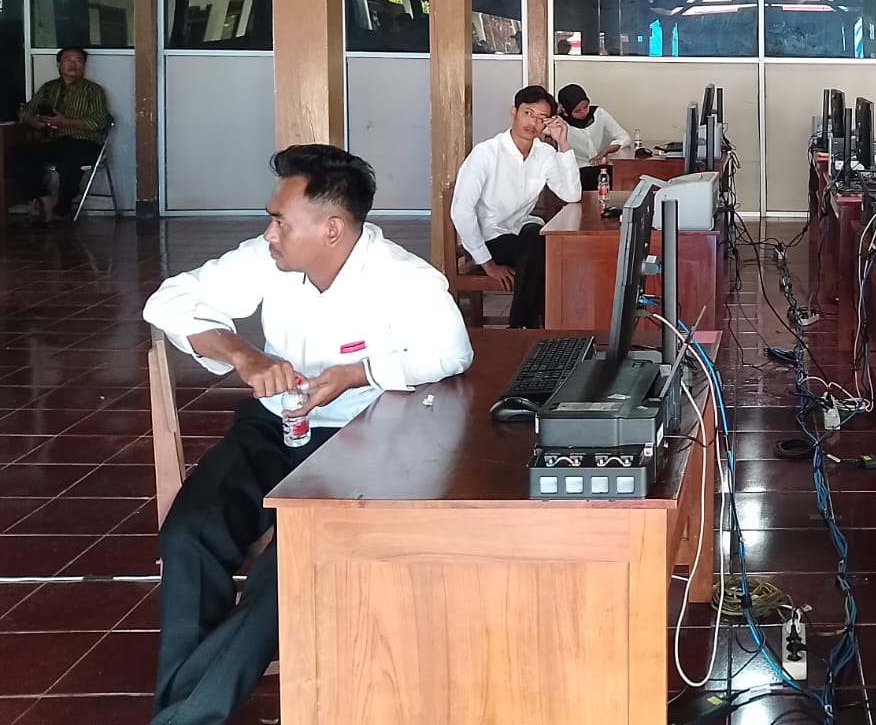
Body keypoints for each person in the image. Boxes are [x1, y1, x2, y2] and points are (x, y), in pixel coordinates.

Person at [144, 145, 474, 725]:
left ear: (332, 229)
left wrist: (357, 373)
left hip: (360, 437)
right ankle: (186, 711)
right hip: (273, 425)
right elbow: (169, 300)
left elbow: (451, 351)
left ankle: (184, 717)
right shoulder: (265, 260)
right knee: (190, 533)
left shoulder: (403, 277)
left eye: (280, 222)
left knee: (291, 568)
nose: (268, 233)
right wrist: (244, 355)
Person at [450, 85, 581, 329]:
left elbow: (571, 195)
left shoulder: (544, 153)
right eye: (528, 113)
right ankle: (533, 327)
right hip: (490, 235)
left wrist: (563, 143)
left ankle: (529, 327)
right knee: (542, 253)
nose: (533, 123)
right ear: (514, 112)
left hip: (522, 232)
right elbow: (461, 210)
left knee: (540, 240)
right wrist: (487, 264)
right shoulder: (486, 154)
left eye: (541, 118)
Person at [12, 45, 110, 223]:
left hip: (85, 142)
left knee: (70, 164)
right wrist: (33, 121)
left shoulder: (93, 90)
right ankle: (44, 196)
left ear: (84, 66)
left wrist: (65, 122)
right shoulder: (49, 88)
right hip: (55, 141)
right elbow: (26, 111)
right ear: (59, 64)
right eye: (68, 60)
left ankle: (61, 209)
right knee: (19, 156)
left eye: (78, 61)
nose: (73, 64)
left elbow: (99, 121)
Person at [558, 83, 633, 192]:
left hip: (600, 168)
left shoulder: (598, 113)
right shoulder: (559, 122)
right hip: (577, 171)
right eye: (577, 111)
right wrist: (555, 112)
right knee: (592, 179)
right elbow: (540, 129)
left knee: (622, 176)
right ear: (565, 110)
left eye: (586, 107)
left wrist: (606, 150)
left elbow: (624, 137)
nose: (583, 113)